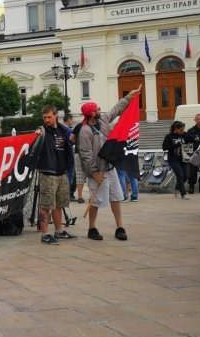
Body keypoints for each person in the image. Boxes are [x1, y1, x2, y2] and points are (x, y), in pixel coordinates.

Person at [77, 86, 140, 242]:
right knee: (95, 201)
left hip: (110, 168)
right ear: (92, 113)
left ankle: (120, 227)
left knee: (116, 197)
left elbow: (115, 110)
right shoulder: (85, 131)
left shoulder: (103, 120)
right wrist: (95, 173)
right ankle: (92, 228)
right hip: (97, 172)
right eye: (97, 109)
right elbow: (86, 156)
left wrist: (128, 97)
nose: (100, 110)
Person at [35, 105, 77, 244]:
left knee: (59, 204)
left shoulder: (63, 130)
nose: (47, 120)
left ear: (56, 115)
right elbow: (36, 135)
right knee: (45, 205)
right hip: (47, 173)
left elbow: (72, 142)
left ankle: (58, 231)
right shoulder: (42, 130)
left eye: (49, 117)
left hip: (62, 172)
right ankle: (45, 234)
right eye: (44, 117)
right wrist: (37, 133)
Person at [163, 121, 194, 200]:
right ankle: (183, 194)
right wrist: (175, 145)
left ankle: (177, 187)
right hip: (173, 159)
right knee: (180, 175)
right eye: (181, 130)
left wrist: (193, 139)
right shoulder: (169, 136)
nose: (182, 131)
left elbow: (190, 142)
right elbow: (164, 147)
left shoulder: (185, 134)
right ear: (175, 129)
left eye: (183, 129)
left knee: (186, 176)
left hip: (184, 159)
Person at [186, 114, 200, 194]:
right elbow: (187, 143)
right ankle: (191, 186)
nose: (199, 120)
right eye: (198, 119)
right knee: (192, 171)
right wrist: (189, 155)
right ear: (195, 120)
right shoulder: (191, 130)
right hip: (194, 153)